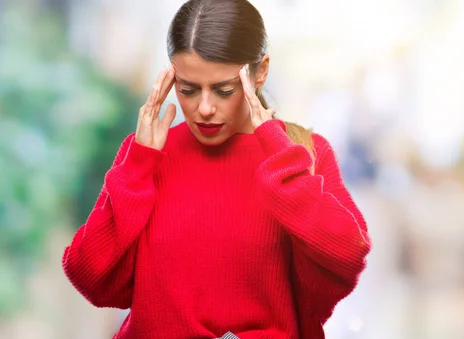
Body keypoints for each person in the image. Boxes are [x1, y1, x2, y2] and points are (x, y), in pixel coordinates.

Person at [61, 1, 371, 338]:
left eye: (224, 90)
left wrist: (278, 154)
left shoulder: (302, 155)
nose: (204, 109)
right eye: (188, 89)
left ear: (260, 72)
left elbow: (346, 259)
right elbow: (90, 277)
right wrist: (138, 164)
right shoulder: (147, 155)